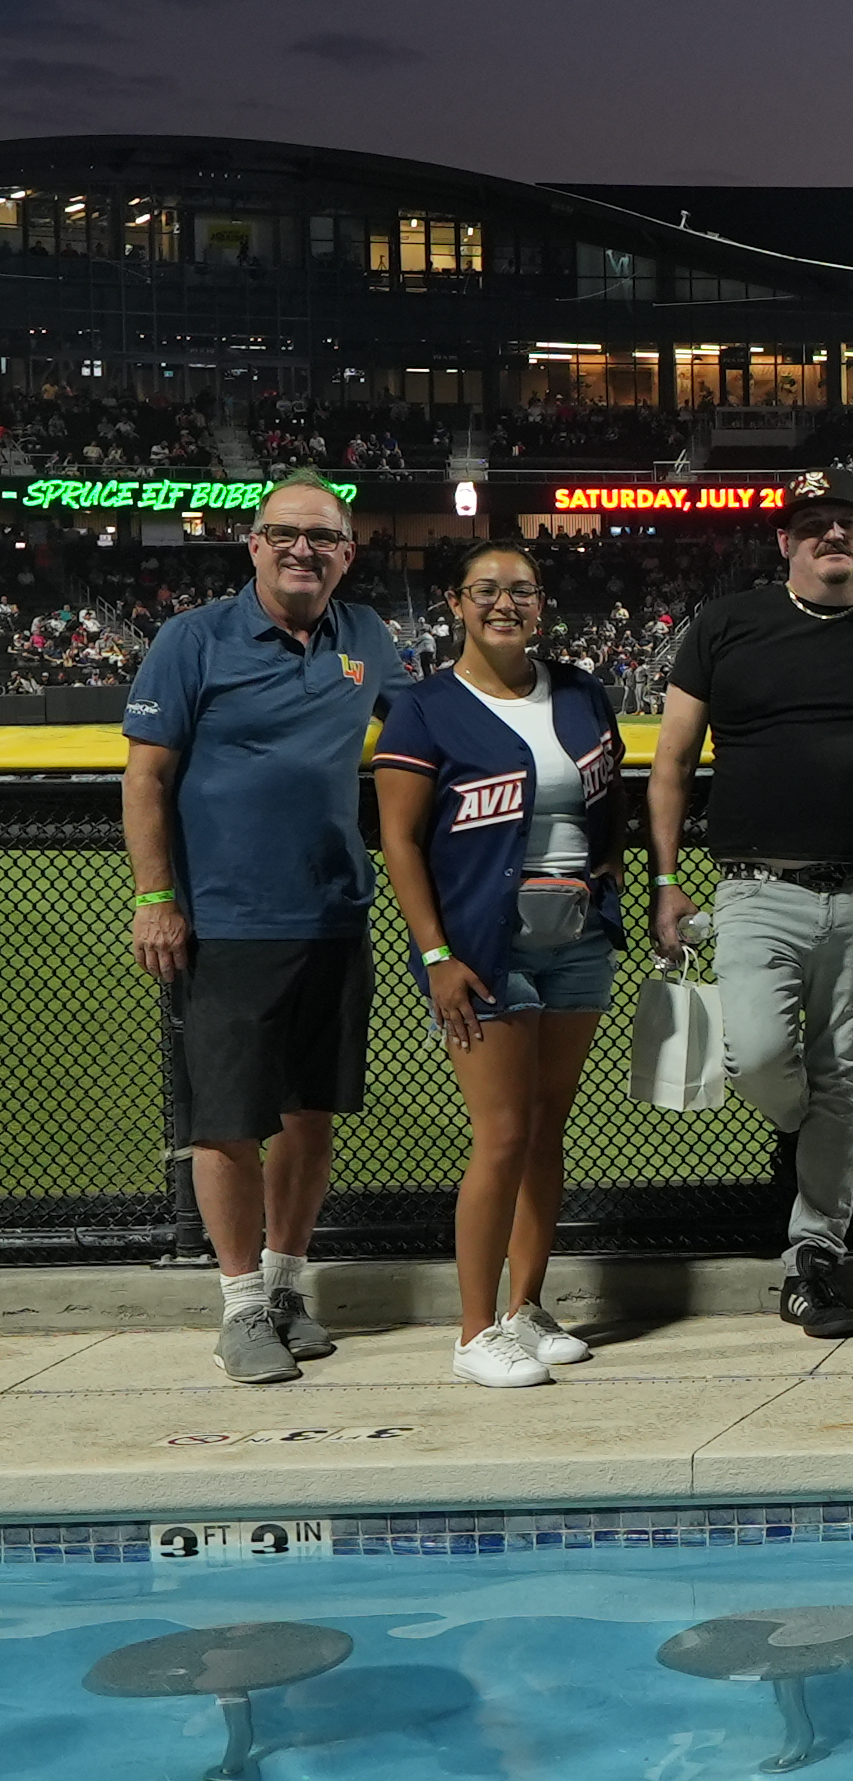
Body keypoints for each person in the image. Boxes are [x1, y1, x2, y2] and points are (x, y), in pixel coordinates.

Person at [646, 468, 853, 1339]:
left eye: (847, 522)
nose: (831, 536)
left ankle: (813, 1255)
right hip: (755, 889)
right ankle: (812, 1139)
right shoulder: (727, 624)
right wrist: (665, 880)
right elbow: (670, 761)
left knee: (843, 1074)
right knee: (762, 1058)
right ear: (785, 543)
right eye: (811, 525)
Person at [122, 469, 402, 1384]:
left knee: (310, 1117)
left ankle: (286, 1288)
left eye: (322, 537)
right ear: (253, 545)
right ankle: (240, 1306)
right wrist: (156, 898)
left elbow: (424, 740)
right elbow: (146, 780)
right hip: (228, 924)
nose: (302, 549)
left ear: (347, 554)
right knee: (227, 1123)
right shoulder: (191, 637)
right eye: (284, 532)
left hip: (333, 915)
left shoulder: (368, 638)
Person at [374, 542, 626, 1387]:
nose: (504, 604)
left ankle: (527, 1306)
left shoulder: (583, 692)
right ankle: (474, 1330)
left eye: (520, 590)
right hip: (483, 953)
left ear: (542, 604)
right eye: (487, 590)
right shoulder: (425, 708)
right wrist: (436, 954)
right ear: (458, 603)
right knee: (503, 1133)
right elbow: (401, 844)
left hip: (579, 942)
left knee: (548, 1129)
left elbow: (608, 813)